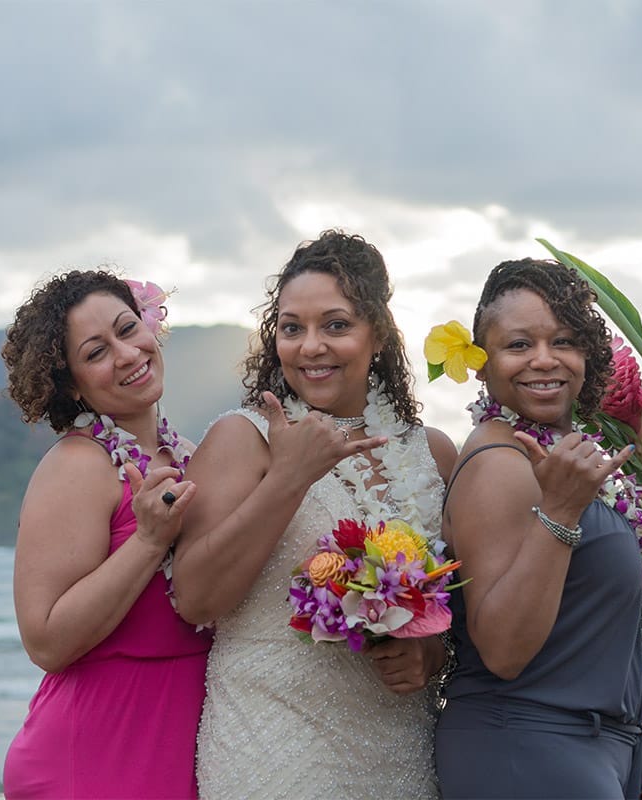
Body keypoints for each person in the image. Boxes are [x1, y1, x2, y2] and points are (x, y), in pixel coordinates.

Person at [171, 230, 458, 799]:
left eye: (335, 325)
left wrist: (430, 652)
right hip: (272, 740)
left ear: (376, 333)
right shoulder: (242, 438)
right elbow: (195, 599)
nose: (310, 346)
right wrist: (289, 476)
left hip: (399, 746)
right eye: (292, 327)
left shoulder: (435, 453)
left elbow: (462, 607)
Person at [433, 258, 642, 800]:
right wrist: (562, 514)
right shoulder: (501, 463)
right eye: (519, 345)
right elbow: (502, 651)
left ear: (588, 356)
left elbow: (604, 633)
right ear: (483, 363)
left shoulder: (565, 459)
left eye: (564, 341)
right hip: (526, 750)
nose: (543, 361)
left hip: (594, 753)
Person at [0, 270, 211, 799]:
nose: (126, 354)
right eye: (96, 352)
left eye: (127, 329)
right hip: (97, 753)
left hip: (190, 742)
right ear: (70, 382)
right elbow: (45, 641)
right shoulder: (76, 465)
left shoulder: (190, 455)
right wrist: (147, 542)